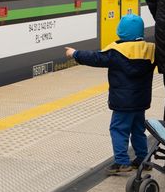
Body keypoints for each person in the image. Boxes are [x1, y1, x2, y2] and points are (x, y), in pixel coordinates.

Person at [65, 14, 154, 175]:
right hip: (141, 101)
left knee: (118, 129)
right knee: (138, 129)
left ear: (121, 31)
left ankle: (121, 161)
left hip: (122, 102)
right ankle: (143, 159)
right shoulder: (149, 50)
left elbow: (95, 58)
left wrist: (75, 53)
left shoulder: (117, 52)